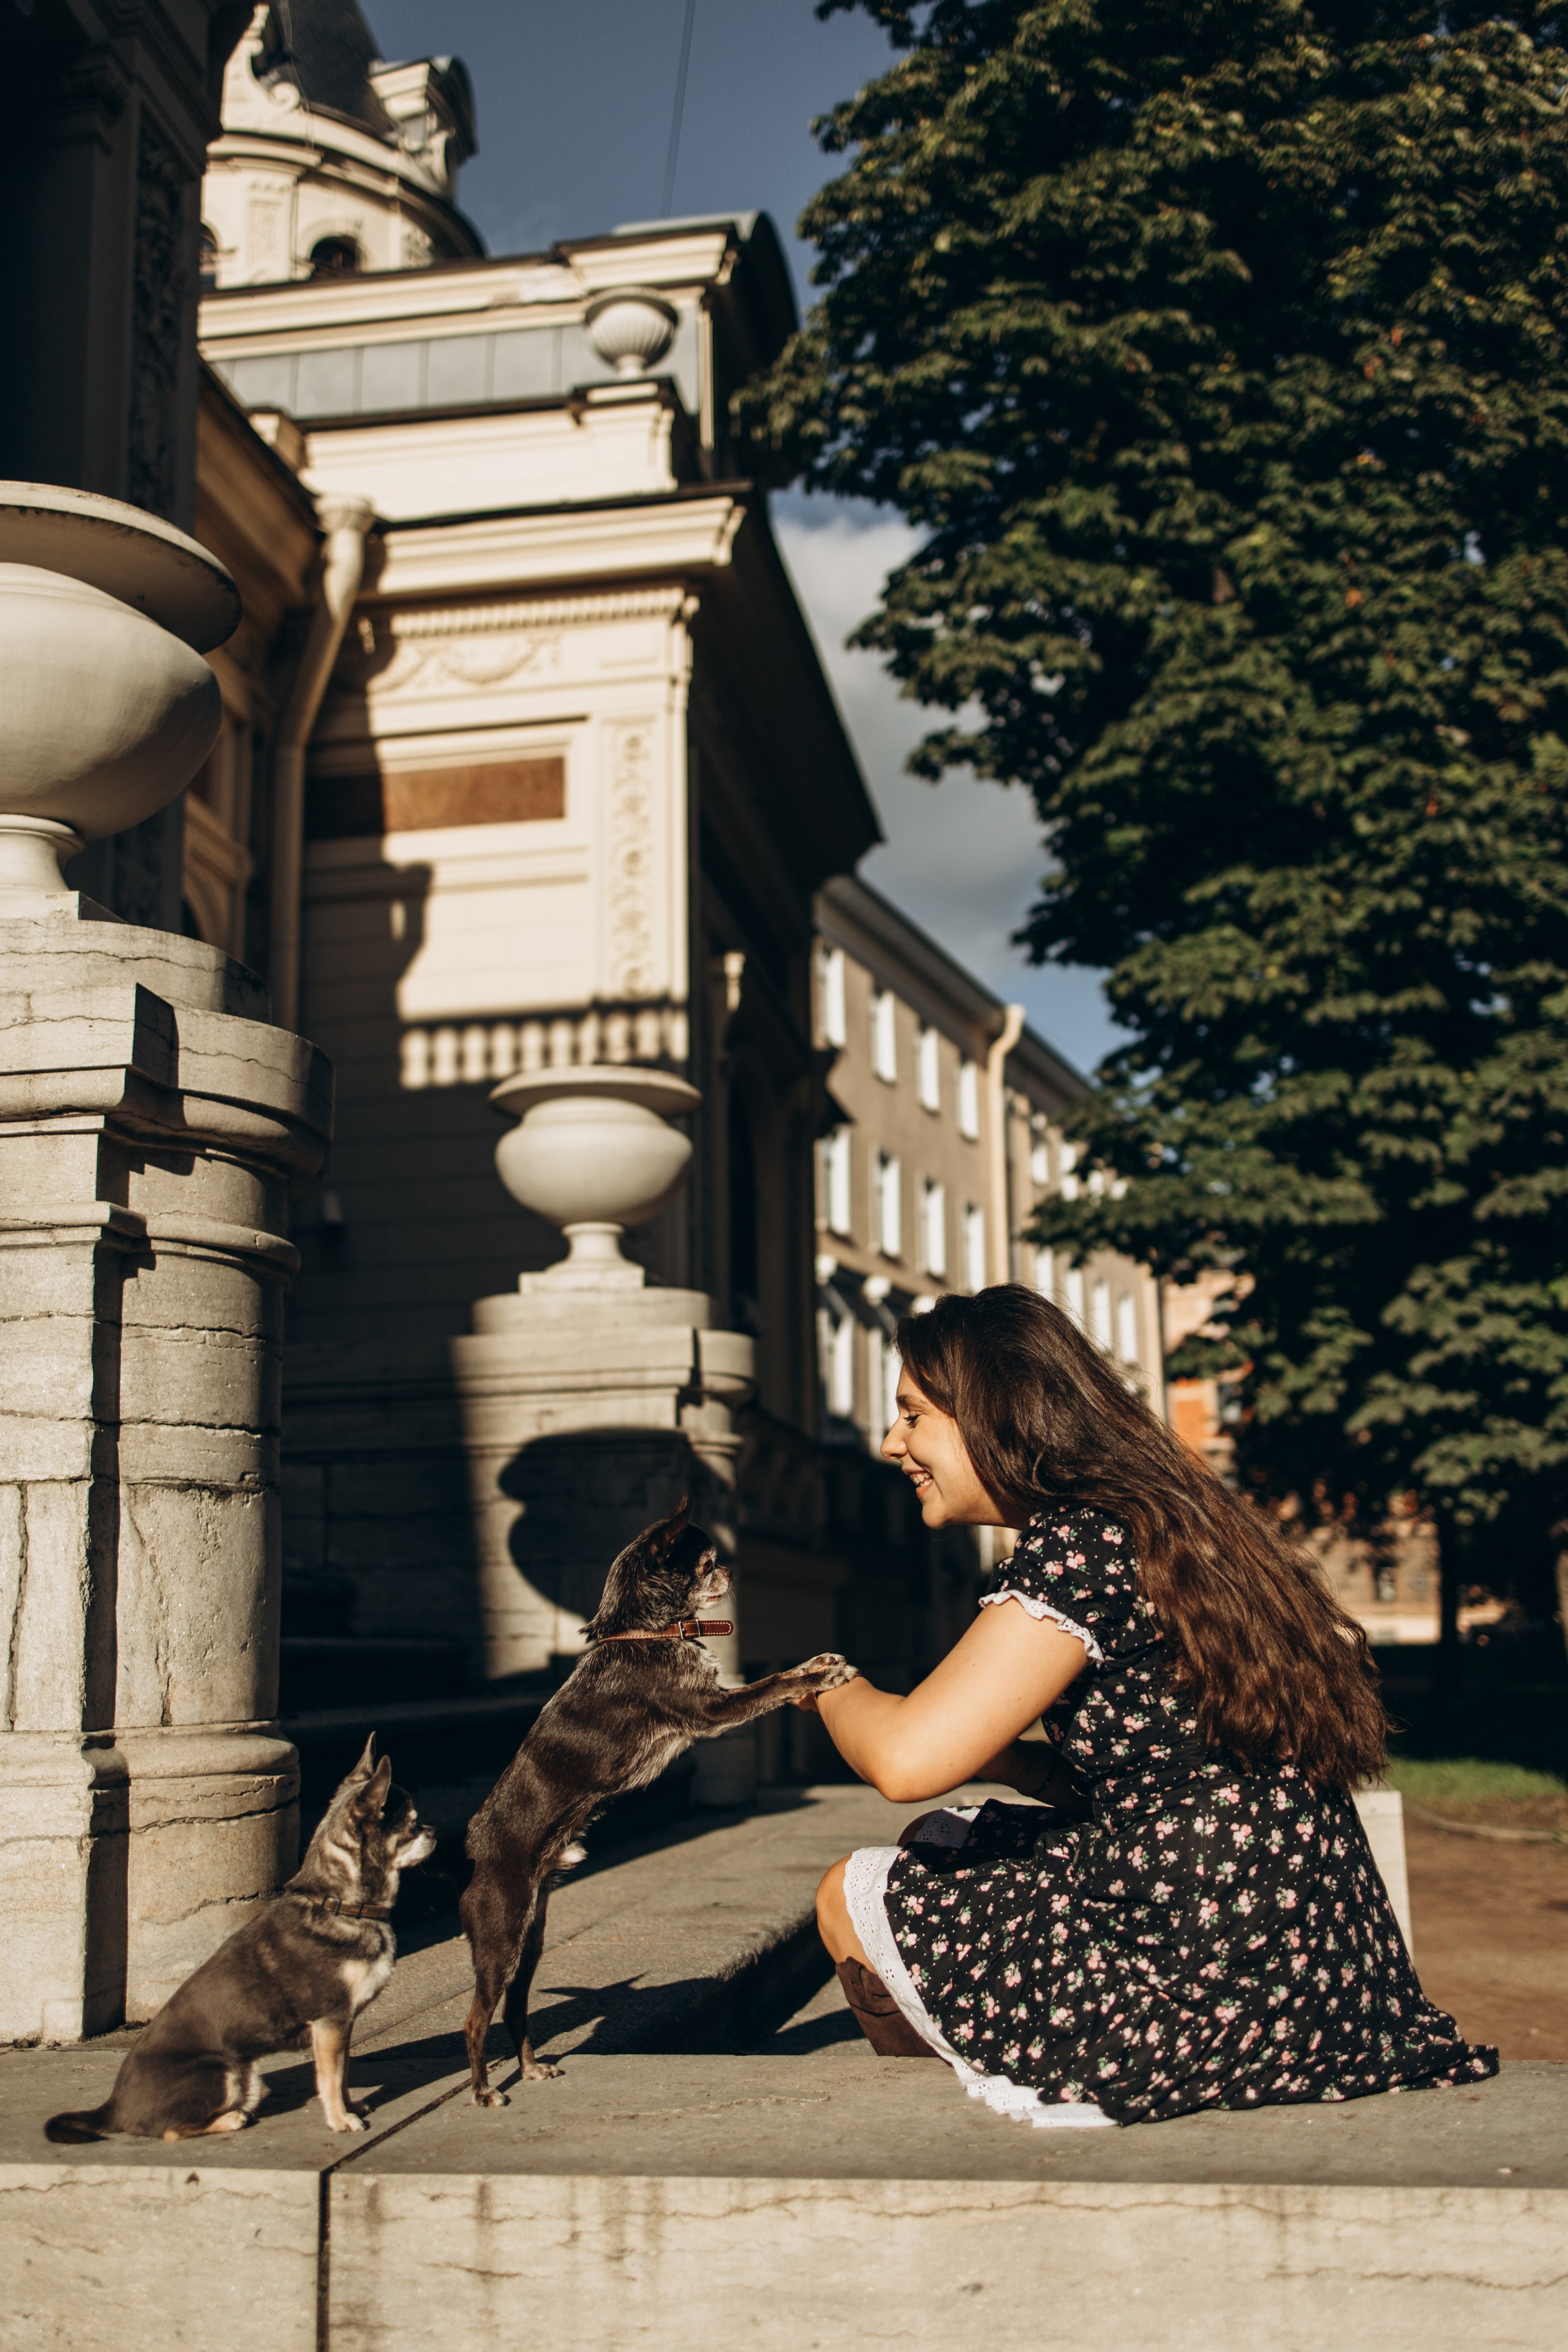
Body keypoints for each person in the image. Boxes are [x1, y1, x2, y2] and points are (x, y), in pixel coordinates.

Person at [807, 1286, 1497, 2130]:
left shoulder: (1079, 1544)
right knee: (951, 1839)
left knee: (851, 1891)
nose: (891, 1444)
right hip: (1326, 1971)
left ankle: (957, 2147)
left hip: (1219, 1984)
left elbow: (904, 1761)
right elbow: (1171, 1786)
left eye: (913, 1415)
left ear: (995, 1411)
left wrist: (829, 1683)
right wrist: (1011, 1759)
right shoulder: (1169, 1523)